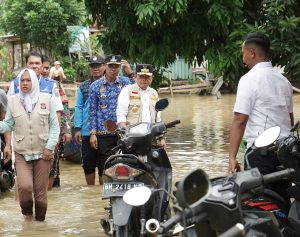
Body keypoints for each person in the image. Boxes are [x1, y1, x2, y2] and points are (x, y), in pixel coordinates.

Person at [228, 32, 293, 201]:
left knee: (257, 203)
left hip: (261, 154)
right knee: (281, 199)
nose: (243, 58)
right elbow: (289, 119)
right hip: (286, 152)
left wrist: (232, 157)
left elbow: (240, 121)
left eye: (243, 53)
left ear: (251, 53)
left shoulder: (248, 79)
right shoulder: (284, 81)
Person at [0, 68, 59, 221]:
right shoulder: (12, 101)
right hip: (21, 153)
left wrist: (49, 147)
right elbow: (8, 124)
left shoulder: (47, 99)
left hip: (43, 153)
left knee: (40, 194)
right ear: (19, 83)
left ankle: (39, 225)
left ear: (34, 81)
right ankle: (27, 217)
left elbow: (54, 126)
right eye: (22, 80)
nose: (25, 83)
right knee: (25, 187)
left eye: (28, 80)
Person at [88, 54, 132, 184]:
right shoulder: (95, 86)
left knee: (124, 163)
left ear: (119, 67)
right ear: (105, 67)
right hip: (103, 133)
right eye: (111, 66)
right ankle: (102, 193)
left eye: (116, 66)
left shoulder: (126, 83)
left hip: (123, 132)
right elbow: (92, 111)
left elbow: (141, 90)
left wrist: (130, 72)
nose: (113, 69)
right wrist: (93, 133)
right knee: (104, 165)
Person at [74, 55, 106, 185]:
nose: (96, 69)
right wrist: (77, 128)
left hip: (105, 131)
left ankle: (103, 193)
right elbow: (79, 107)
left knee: (104, 164)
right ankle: (91, 191)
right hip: (87, 130)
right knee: (88, 164)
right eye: (93, 66)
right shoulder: (84, 86)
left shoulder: (110, 84)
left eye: (98, 66)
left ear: (104, 66)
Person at [41, 55, 71, 189]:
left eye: (47, 68)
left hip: (54, 132)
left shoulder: (55, 85)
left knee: (53, 167)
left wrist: (65, 131)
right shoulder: (26, 83)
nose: (44, 70)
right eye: (43, 67)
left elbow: (63, 109)